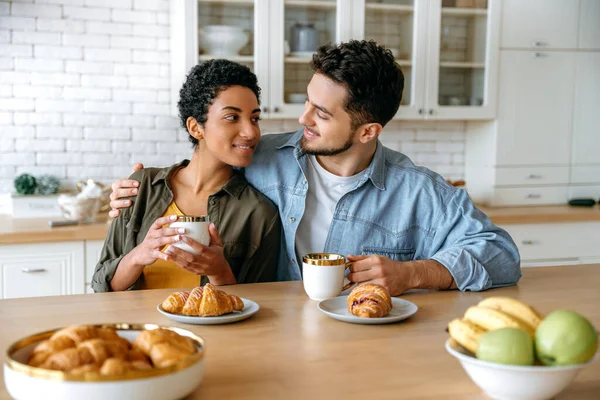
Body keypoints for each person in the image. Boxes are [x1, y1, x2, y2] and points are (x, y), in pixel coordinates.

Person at [109, 40, 521, 296]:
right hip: (272, 338)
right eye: (307, 101)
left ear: (367, 131)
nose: (303, 119)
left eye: (321, 114)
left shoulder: (417, 192)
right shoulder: (266, 156)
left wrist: (413, 273)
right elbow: (205, 157)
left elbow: (502, 255)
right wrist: (138, 189)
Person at [92, 59, 281, 292]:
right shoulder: (142, 187)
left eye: (254, 118)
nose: (251, 131)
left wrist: (219, 272)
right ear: (195, 127)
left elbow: (259, 306)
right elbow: (102, 286)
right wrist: (139, 255)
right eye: (232, 117)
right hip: (142, 328)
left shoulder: (259, 213)